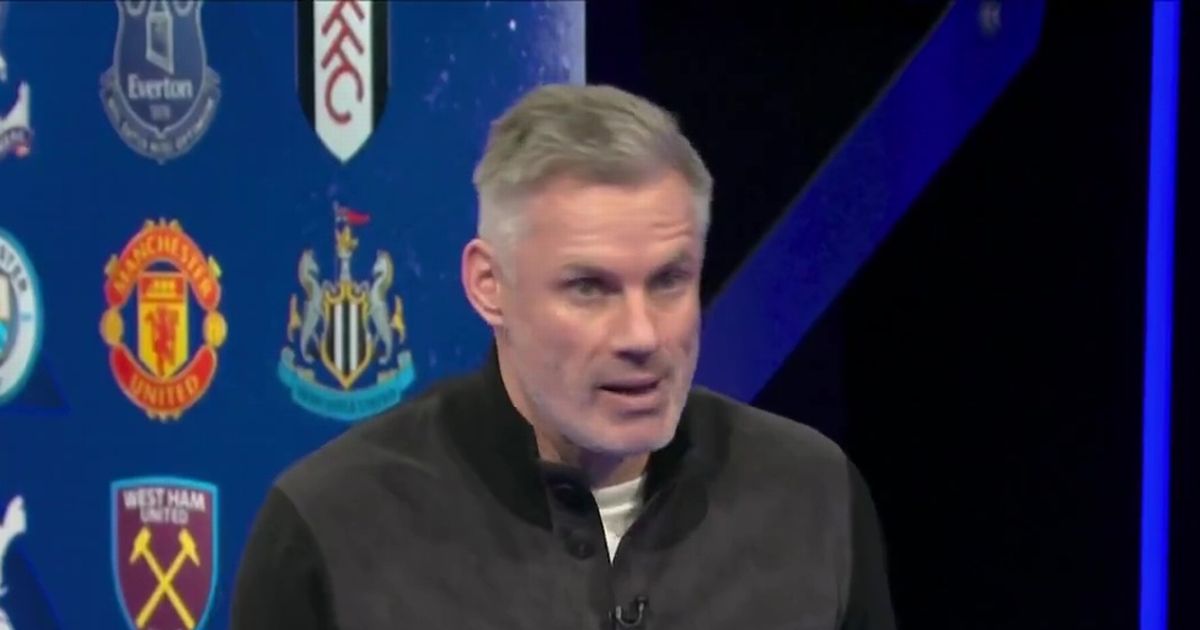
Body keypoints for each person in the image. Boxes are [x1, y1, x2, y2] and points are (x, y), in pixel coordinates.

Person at [230, 83, 897, 629]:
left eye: (669, 280)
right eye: (589, 288)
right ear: (489, 286)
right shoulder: (332, 525)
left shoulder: (814, 498)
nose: (642, 335)